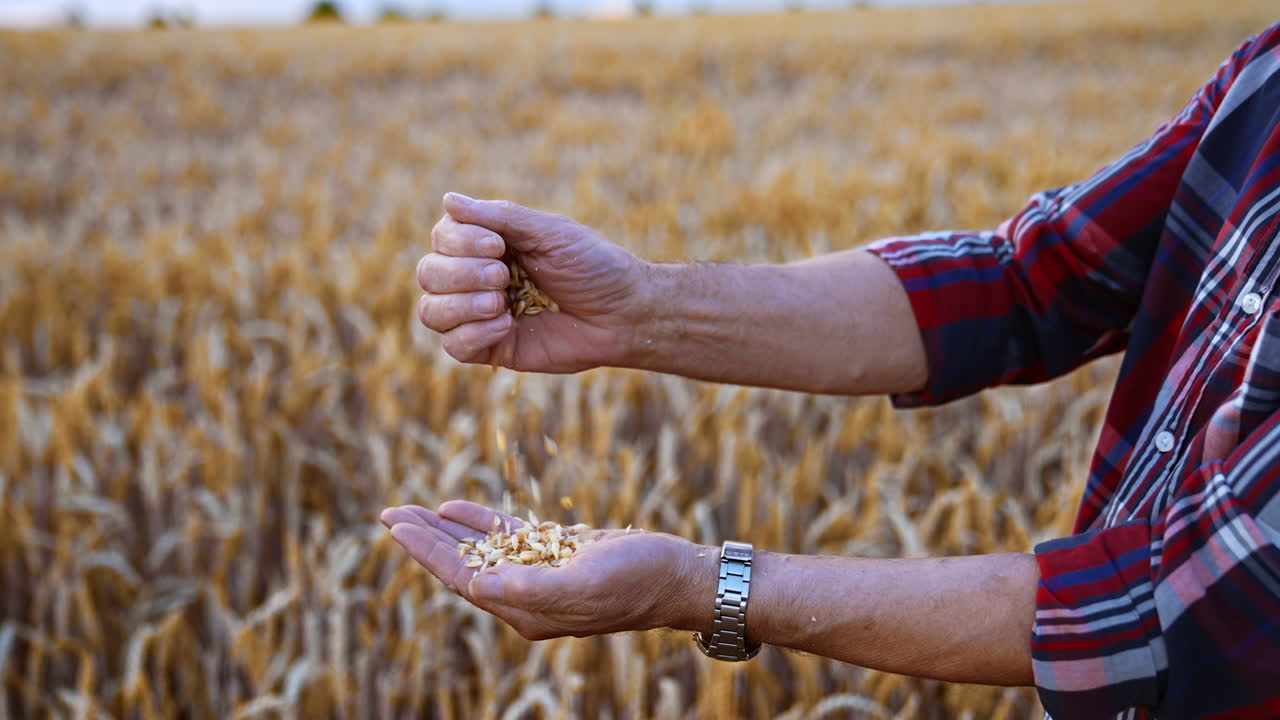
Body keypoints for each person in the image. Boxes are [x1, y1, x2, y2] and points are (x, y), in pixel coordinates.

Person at [383, 21, 1280, 720]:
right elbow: (1023, 284)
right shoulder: (1266, 79)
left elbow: (1172, 607)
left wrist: (697, 585)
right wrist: (642, 307)